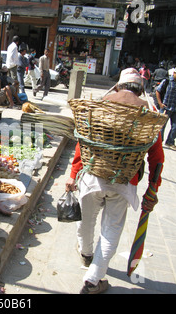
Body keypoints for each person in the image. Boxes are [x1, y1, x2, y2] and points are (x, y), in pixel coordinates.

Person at [65, 68, 165, 294]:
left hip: (92, 177)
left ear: (118, 86)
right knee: (111, 229)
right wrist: (152, 189)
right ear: (140, 89)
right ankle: (92, 281)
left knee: (86, 220)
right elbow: (156, 158)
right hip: (124, 181)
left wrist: (73, 174)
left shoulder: (102, 104)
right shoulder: (148, 113)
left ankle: (86, 254)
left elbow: (83, 141)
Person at [156, 66, 176, 151]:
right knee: (162, 126)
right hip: (166, 107)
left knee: (175, 126)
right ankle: (159, 142)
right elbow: (158, 91)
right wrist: (160, 104)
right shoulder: (167, 81)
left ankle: (170, 142)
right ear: (174, 73)